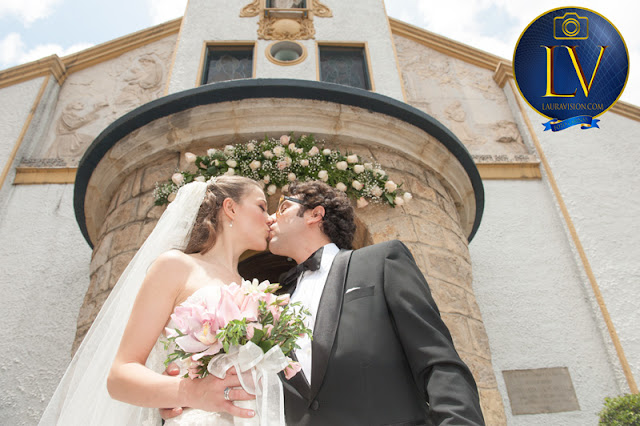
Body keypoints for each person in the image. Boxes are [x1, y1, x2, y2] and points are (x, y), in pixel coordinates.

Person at [165, 180, 485, 425]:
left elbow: (437, 361)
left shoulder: (382, 260)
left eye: (282, 208)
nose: (271, 220)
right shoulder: (265, 304)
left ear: (315, 214)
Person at [39, 176, 274, 425]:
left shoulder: (250, 290)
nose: (270, 218)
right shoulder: (176, 266)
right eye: (262, 207)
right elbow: (120, 376)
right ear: (231, 208)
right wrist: (190, 392)